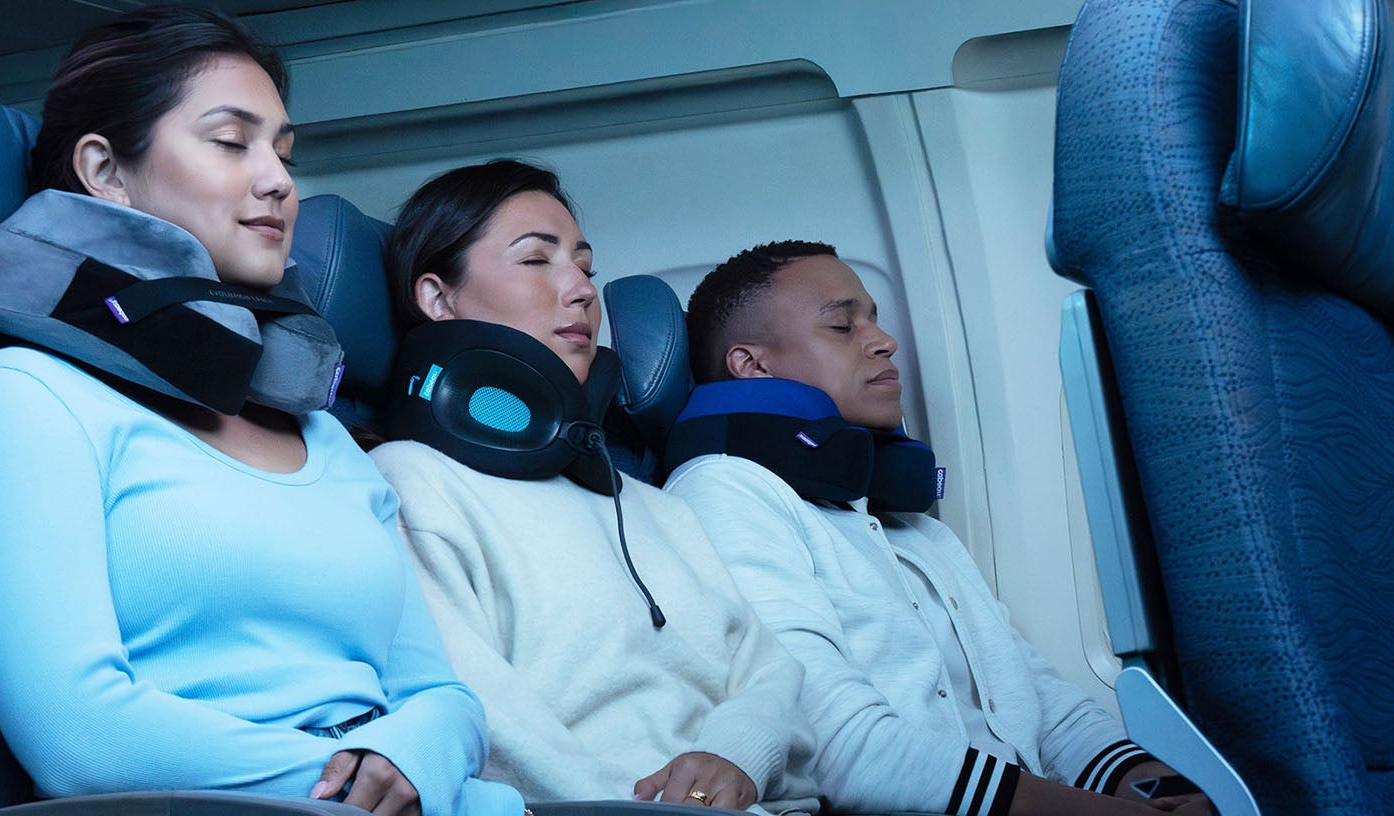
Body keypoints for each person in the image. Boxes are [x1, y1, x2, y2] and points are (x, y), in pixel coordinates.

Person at [0, 6, 518, 816]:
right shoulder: (23, 400)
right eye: (232, 141)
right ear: (104, 170)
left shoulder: (325, 436)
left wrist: (414, 758)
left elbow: (441, 697)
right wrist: (368, 787)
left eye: (283, 152)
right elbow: (80, 740)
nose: (279, 180)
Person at [669, 240, 1213, 816]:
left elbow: (1037, 698)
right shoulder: (726, 490)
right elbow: (835, 744)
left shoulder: (909, 525)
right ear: (752, 365)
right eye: (842, 326)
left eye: (875, 319)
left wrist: (1159, 790)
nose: (884, 340)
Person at [368, 160, 819, 814]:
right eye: (535, 260)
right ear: (439, 299)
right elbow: (484, 726)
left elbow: (773, 675)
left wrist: (738, 756)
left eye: (586, 267)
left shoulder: (653, 504)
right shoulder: (413, 482)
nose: (582, 289)